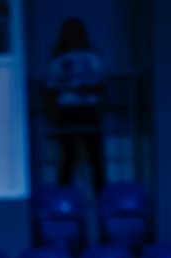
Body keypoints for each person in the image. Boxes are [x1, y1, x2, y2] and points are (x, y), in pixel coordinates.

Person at [45, 16, 105, 195]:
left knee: (95, 155)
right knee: (67, 157)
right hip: (67, 111)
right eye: (70, 30)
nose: (73, 34)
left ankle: (101, 196)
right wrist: (54, 114)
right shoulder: (57, 59)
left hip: (89, 109)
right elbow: (50, 89)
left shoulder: (92, 56)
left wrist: (88, 90)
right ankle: (63, 198)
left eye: (76, 30)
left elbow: (102, 85)